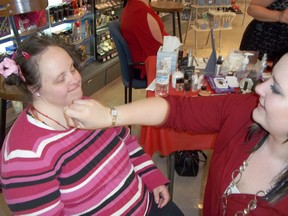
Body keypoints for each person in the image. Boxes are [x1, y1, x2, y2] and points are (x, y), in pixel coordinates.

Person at [65, 53, 288, 215]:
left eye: (276, 89)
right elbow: (177, 111)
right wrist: (109, 116)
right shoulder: (244, 111)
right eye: (269, 79)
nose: (259, 88)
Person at [0, 33, 184, 216]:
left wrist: (151, 177)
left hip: (147, 203)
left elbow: (127, 142)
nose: (75, 79)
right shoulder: (24, 156)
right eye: (60, 78)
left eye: (72, 68)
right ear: (34, 88)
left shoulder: (86, 105)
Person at [120, 0, 169, 79]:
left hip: (143, 63)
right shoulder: (141, 13)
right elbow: (158, 51)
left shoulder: (133, 6)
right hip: (146, 67)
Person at [239, 0, 288, 64]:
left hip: (284, 46)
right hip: (263, 40)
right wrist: (280, 16)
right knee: (250, 70)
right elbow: (252, 8)